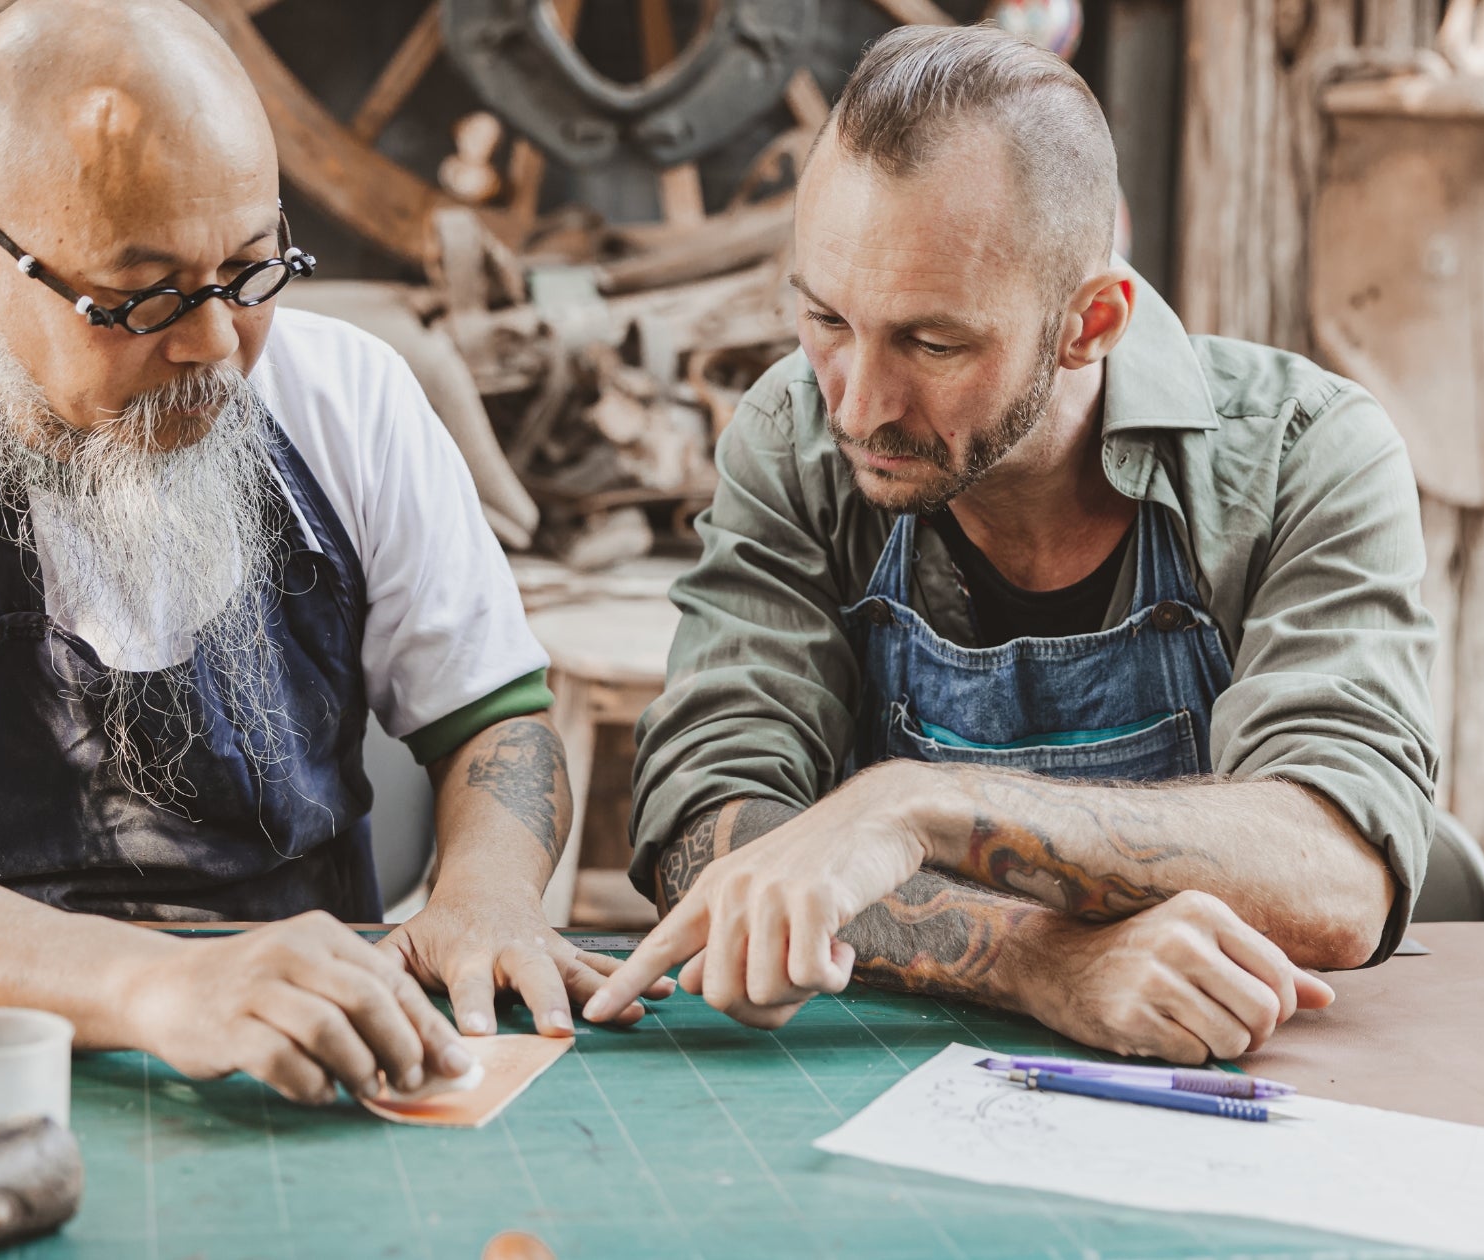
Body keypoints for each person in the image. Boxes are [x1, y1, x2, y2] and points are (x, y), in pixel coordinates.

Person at [0, 0, 666, 1108]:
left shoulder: (348, 397)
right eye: (143, 295)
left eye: (249, 270)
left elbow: (493, 716)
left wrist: (487, 893)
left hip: (324, 1053)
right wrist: (170, 988)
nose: (210, 345)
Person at [601, 25, 1437, 1064]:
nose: (858, 406)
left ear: (1088, 323)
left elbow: (1333, 872)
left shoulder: (1306, 453)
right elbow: (704, 820)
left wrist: (915, 807)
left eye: (932, 342)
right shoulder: (791, 434)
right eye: (823, 318)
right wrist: (1038, 964)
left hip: (1246, 1072)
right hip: (895, 1077)